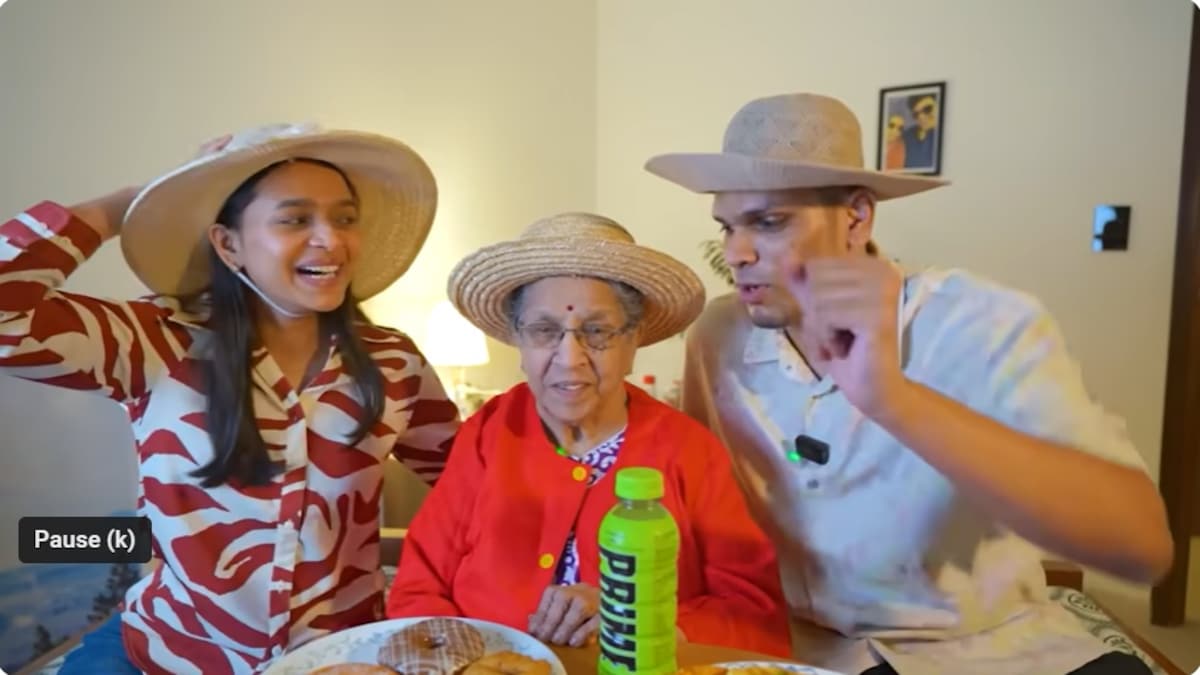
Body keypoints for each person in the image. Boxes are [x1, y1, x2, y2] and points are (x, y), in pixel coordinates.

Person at [643, 93, 1172, 674]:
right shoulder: (718, 336)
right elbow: (699, 506)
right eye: (726, 227)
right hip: (802, 653)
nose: (736, 252)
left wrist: (894, 402)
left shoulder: (973, 324)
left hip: (994, 652)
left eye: (769, 222)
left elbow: (1141, 544)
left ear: (856, 217)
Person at [0, 123, 461, 674]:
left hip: (336, 661)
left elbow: (474, 485)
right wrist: (132, 204)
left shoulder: (392, 361)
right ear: (228, 244)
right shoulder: (155, 340)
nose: (331, 240)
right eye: (295, 219)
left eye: (344, 218)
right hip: (167, 658)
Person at [385, 212, 793, 657]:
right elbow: (417, 588)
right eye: (544, 331)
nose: (570, 358)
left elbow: (755, 616)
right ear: (519, 341)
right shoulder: (488, 431)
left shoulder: (688, 450)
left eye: (597, 331)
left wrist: (638, 618)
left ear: (633, 341)